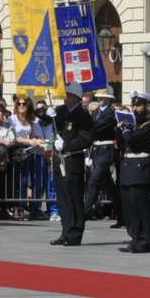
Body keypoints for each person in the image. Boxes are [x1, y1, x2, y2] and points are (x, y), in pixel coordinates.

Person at [49, 84, 92, 247]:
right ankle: (65, 231)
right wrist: (45, 112)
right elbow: (45, 119)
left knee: (74, 197)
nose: (64, 97)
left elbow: (86, 139)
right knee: (62, 198)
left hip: (72, 159)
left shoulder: (83, 116)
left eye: (67, 95)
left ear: (74, 97)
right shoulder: (61, 111)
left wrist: (66, 144)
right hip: (60, 160)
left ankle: (75, 234)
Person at [117, 91, 150, 253]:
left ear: (146, 106)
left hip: (140, 168)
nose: (135, 108)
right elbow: (121, 143)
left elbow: (132, 139)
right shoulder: (132, 125)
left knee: (141, 207)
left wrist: (126, 130)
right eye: (134, 105)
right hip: (128, 167)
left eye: (139, 105)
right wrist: (119, 129)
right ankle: (134, 238)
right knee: (129, 207)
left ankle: (144, 240)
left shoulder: (149, 125)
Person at [82, 90, 119, 222]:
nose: (100, 99)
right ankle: (123, 215)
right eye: (99, 97)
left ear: (109, 99)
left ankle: (84, 212)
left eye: (104, 97)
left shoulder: (110, 112)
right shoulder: (97, 112)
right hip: (96, 148)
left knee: (94, 181)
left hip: (105, 148)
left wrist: (86, 124)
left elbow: (98, 126)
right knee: (108, 184)